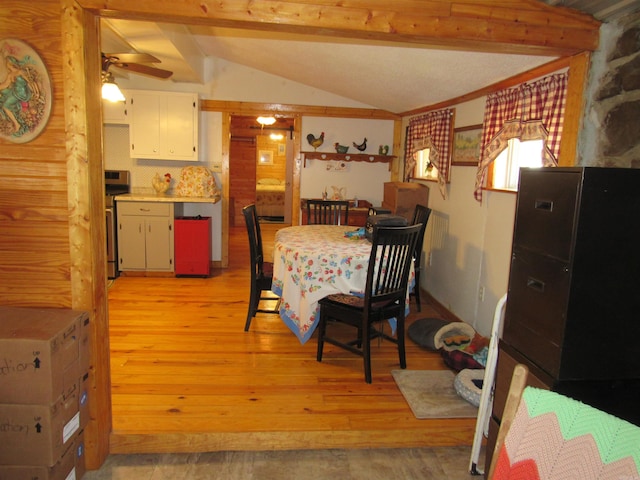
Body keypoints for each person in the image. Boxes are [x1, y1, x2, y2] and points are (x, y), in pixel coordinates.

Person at [0, 54, 38, 137]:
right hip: (15, 92)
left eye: (8, 63)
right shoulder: (10, 75)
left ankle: (17, 124)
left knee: (5, 106)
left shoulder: (21, 72)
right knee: (4, 95)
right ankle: (10, 121)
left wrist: (36, 92)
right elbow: (5, 85)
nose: (7, 66)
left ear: (11, 63)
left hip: (22, 93)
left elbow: (30, 82)